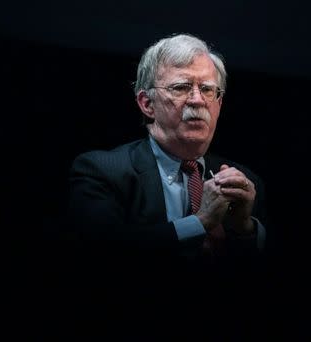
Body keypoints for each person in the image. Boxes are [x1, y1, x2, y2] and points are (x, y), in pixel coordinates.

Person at [67, 33, 268, 273]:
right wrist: (200, 222)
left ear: (219, 103)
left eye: (207, 89)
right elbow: (103, 253)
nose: (197, 100)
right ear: (147, 104)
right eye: (181, 87)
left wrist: (245, 229)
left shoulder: (246, 182)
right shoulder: (102, 171)